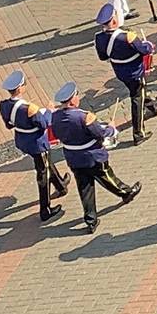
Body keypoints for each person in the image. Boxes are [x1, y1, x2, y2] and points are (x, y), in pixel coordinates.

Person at [46, 84, 136, 233]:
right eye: (76, 95)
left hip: (73, 157)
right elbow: (99, 133)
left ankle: (91, 220)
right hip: (92, 155)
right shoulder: (84, 116)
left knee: (84, 188)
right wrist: (111, 128)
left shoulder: (54, 116)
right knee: (107, 177)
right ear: (72, 100)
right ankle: (126, 192)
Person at [0, 71, 70, 223]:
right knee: (43, 173)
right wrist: (48, 111)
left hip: (22, 140)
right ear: (20, 88)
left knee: (45, 162)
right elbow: (43, 123)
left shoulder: (4, 105)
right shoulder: (30, 108)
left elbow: (9, 125)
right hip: (37, 142)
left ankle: (61, 185)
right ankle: (45, 209)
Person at [93, 4, 157, 142]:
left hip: (120, 72)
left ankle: (152, 107)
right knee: (137, 98)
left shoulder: (99, 37)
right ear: (113, 20)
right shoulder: (128, 36)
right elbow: (144, 50)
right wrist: (148, 44)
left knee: (137, 92)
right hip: (135, 71)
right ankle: (138, 133)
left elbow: (103, 57)